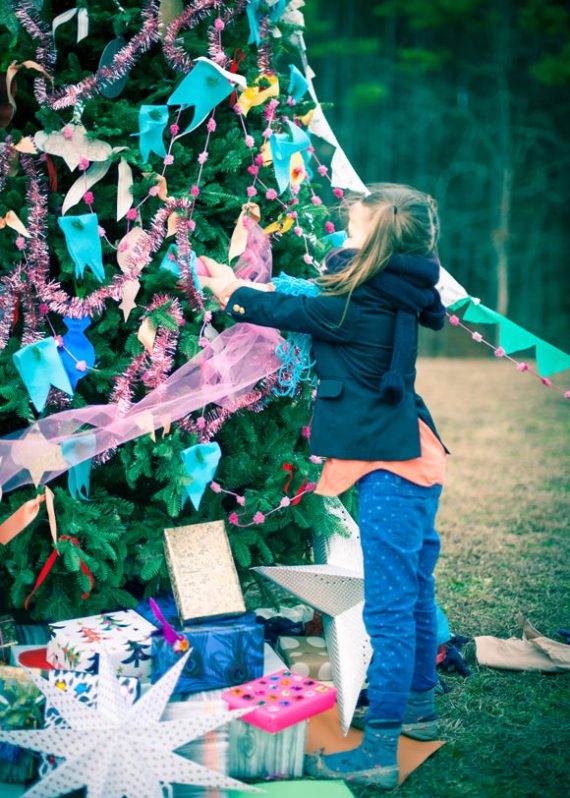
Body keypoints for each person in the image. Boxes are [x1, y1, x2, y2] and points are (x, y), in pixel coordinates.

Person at [200, 183, 447, 788]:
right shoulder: (388, 288)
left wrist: (230, 291)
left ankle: (382, 749)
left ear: (380, 241)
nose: (344, 235)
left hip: (393, 464)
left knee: (390, 606)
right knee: (411, 591)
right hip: (407, 454)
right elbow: (317, 296)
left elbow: (290, 312)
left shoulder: (357, 301)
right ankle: (417, 706)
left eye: (355, 230)